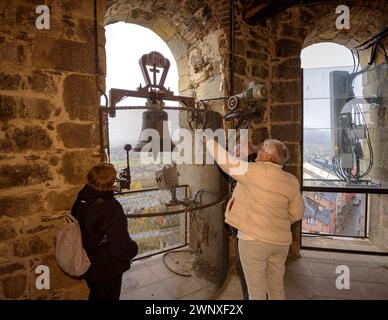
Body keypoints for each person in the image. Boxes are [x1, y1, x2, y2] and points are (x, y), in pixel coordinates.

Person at [205, 138, 304, 300]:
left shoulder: (254, 171)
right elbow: (297, 213)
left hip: (253, 241)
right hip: (280, 243)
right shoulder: (292, 181)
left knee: (256, 291)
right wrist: (277, 221)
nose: (259, 151)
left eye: (263, 149)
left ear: (267, 157)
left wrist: (209, 141)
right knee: (276, 287)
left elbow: (227, 162)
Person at [71, 162, 138, 300]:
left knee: (96, 295)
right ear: (110, 182)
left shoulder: (81, 200)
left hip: (87, 262)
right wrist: (133, 248)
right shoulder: (111, 207)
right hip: (107, 266)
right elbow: (120, 245)